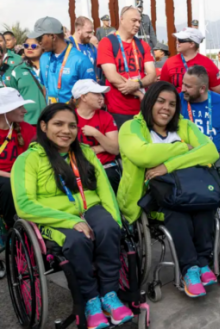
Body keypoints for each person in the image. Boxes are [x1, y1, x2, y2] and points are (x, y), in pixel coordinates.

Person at [12, 102, 133, 328]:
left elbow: (105, 190)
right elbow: (24, 205)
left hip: (90, 207)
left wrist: (114, 221)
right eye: (58, 124)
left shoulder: (85, 152)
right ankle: (90, 300)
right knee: (77, 240)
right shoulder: (28, 160)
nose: (66, 131)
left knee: (108, 229)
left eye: (72, 126)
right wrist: (71, 221)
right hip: (53, 216)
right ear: (44, 126)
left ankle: (109, 294)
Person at [118, 81, 219, 298]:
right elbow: (143, 155)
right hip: (150, 193)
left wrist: (167, 165)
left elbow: (210, 151)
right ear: (149, 102)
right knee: (176, 208)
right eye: (160, 101)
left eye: (172, 104)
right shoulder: (131, 128)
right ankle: (189, 269)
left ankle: (203, 262)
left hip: (187, 186)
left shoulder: (185, 126)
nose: (166, 108)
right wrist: (184, 148)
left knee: (204, 203)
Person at [97, 7, 156, 128]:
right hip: (118, 110)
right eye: (134, 20)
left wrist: (138, 84)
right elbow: (112, 76)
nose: (138, 24)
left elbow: (152, 75)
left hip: (142, 109)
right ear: (122, 19)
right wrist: (138, 93)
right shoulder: (107, 42)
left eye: (139, 21)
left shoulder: (143, 45)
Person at [30, 17, 95, 104]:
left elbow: (91, 94)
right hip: (52, 115)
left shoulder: (80, 60)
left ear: (53, 36)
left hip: (73, 115)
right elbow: (45, 87)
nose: (38, 43)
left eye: (39, 38)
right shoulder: (44, 58)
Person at [70, 80, 120, 193]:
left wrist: (96, 134)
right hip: (78, 166)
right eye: (96, 94)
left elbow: (115, 149)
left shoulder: (106, 116)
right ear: (83, 97)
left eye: (101, 94)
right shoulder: (69, 117)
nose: (101, 97)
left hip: (105, 167)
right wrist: (102, 147)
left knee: (110, 177)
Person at [0, 88, 37, 231]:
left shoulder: (27, 129)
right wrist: (12, 176)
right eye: (19, 107)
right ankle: (12, 228)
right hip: (6, 179)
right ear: (5, 110)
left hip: (20, 175)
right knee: (8, 185)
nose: (25, 111)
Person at [180, 65, 220, 153]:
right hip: (187, 159)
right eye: (183, 84)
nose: (183, 89)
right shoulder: (177, 101)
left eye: (188, 86)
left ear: (202, 88)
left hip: (217, 160)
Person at [160, 28, 220, 94]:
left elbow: (219, 90)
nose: (177, 42)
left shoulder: (208, 63)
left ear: (192, 44)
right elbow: (162, 88)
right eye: (177, 39)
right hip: (177, 103)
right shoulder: (169, 62)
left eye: (181, 40)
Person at [2, 38, 45, 125]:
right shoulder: (16, 71)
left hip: (50, 121)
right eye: (26, 46)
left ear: (43, 47)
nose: (29, 48)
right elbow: (11, 97)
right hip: (27, 123)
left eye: (33, 46)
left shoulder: (51, 69)